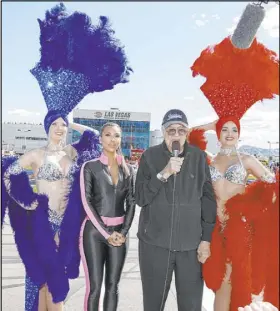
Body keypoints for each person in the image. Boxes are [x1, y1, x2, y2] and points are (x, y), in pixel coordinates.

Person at [2, 3, 132, 310]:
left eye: (63, 125)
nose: (60, 128)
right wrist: (25, 199)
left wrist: (72, 120)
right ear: (47, 127)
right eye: (55, 124)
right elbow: (8, 173)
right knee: (42, 281)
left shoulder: (76, 152)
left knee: (58, 283)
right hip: (40, 225)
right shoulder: (35, 154)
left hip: (68, 226)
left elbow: (98, 139)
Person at [190, 33, 279, 311]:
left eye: (234, 130)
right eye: (225, 130)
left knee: (238, 277)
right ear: (219, 133)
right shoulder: (209, 159)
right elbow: (191, 136)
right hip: (214, 226)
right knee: (220, 282)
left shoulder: (248, 158)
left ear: (240, 134)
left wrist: (251, 206)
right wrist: (216, 121)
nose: (229, 134)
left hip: (240, 227)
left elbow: (271, 184)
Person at [135, 109, 217, 311]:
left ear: (187, 133)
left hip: (190, 247)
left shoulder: (199, 158)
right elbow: (140, 198)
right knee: (153, 305)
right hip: (155, 245)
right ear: (164, 132)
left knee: (191, 306)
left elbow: (208, 200)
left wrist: (206, 239)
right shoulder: (149, 157)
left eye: (181, 130)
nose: (176, 135)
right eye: (171, 130)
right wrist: (164, 172)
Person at [80, 122, 136, 311]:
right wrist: (106, 234)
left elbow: (131, 203)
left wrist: (124, 232)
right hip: (94, 234)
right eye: (108, 135)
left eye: (116, 136)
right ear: (100, 139)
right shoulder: (90, 167)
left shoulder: (128, 170)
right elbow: (87, 202)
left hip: (120, 235)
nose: (113, 140)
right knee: (94, 288)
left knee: (113, 287)